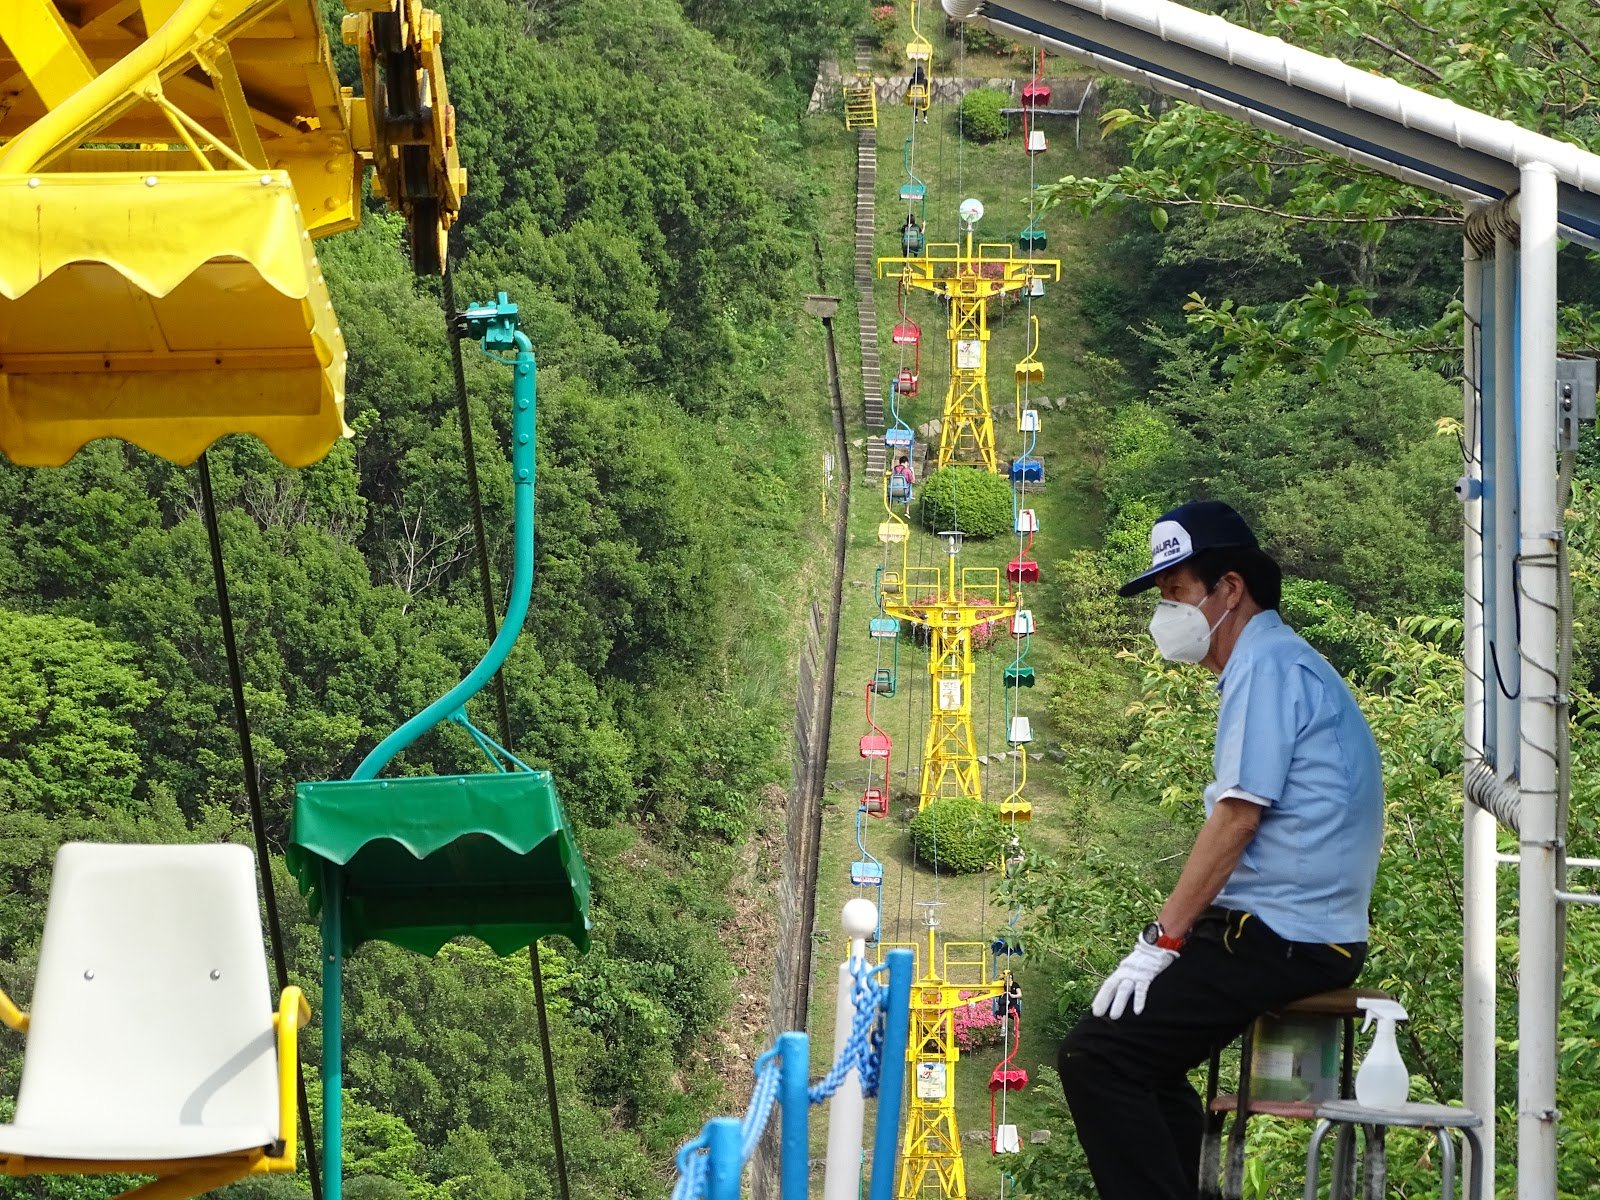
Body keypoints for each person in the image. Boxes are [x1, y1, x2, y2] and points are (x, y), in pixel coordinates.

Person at [1057, 499, 1384, 1200]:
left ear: (1229, 588)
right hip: (1292, 929)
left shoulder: (1266, 665)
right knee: (1140, 1065)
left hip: (1283, 935)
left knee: (1098, 1057)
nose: (1165, 613)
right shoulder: (1274, 664)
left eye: (1176, 592)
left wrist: (1162, 940)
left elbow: (1237, 818)